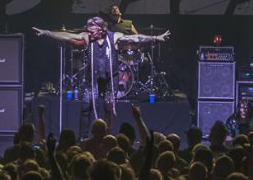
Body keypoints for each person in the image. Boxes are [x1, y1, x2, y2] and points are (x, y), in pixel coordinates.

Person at [32, 17, 169, 132]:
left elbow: (136, 38)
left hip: (111, 78)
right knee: (86, 106)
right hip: (93, 79)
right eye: (89, 31)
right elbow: (68, 36)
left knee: (109, 107)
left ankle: (107, 135)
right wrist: (47, 33)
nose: (90, 33)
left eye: (93, 31)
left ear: (101, 29)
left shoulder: (114, 37)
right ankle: (84, 136)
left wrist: (155, 38)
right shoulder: (87, 37)